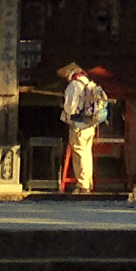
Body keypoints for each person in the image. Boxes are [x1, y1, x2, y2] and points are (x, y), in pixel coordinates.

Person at [60, 60, 105, 195]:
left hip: (79, 124)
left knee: (79, 154)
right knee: (87, 153)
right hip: (91, 124)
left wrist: (64, 109)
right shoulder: (90, 83)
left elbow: (70, 108)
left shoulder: (74, 85)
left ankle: (83, 186)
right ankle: (88, 183)